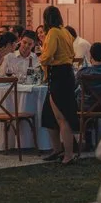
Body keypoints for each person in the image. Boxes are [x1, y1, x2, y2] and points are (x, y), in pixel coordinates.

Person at [36, 9, 81, 163]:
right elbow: (72, 53)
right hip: (66, 73)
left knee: (61, 116)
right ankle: (57, 150)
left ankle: (68, 155)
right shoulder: (65, 32)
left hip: (59, 75)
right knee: (49, 115)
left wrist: (41, 60)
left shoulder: (54, 32)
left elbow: (48, 55)